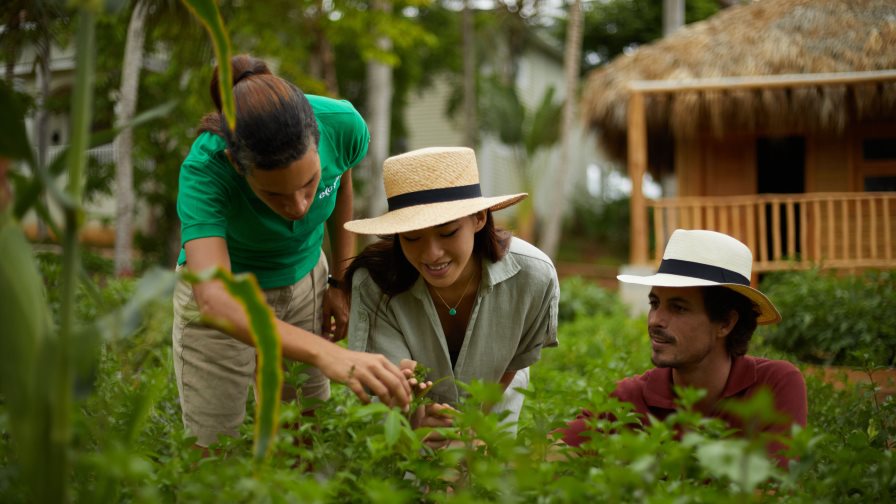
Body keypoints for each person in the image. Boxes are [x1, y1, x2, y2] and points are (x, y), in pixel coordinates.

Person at [171, 55, 410, 448]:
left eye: (310, 182)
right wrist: (325, 354)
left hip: (304, 283)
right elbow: (214, 302)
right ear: (236, 164)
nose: (300, 207)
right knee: (213, 453)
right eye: (274, 194)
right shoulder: (206, 168)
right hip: (228, 303)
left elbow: (342, 180)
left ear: (318, 138)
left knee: (305, 440)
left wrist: (339, 279)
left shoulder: (341, 123)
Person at [343, 146, 559, 434]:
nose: (432, 254)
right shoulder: (375, 284)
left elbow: (513, 364)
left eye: (448, 233)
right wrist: (416, 412)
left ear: (479, 218)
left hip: (493, 407)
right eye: (412, 237)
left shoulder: (533, 276)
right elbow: (385, 394)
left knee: (488, 475)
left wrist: (471, 427)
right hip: (405, 421)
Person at [558, 229, 807, 464]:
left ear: (726, 323)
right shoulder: (630, 398)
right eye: (655, 303)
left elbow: (773, 490)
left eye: (678, 308)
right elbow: (548, 453)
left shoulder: (774, 385)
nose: (656, 320)